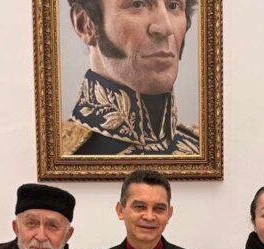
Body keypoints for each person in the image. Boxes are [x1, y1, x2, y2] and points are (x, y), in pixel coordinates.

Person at [61, 0, 201, 156]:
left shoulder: (203, 148)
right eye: (137, 4)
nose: (166, 28)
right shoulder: (60, 154)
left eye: (174, 6)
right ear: (85, 25)